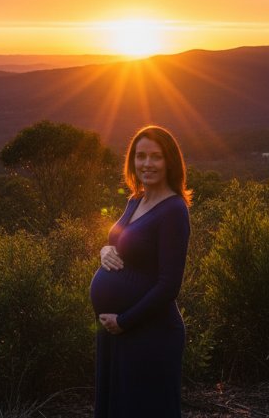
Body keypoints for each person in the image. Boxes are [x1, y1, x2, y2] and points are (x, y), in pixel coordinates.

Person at [89, 125, 192, 418]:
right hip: (116, 332)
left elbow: (169, 285)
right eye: (140, 156)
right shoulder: (136, 200)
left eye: (156, 157)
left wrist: (124, 321)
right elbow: (117, 238)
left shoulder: (174, 210)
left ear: (170, 161)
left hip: (150, 332)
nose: (147, 164)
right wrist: (105, 250)